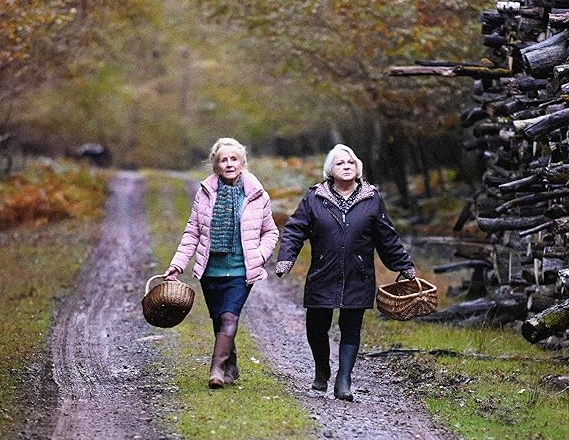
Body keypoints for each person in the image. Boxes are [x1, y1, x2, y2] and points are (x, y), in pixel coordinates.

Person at [275, 144, 417, 402]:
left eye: (351, 162)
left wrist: (404, 266)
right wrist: (286, 258)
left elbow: (387, 236)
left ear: (358, 166)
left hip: (358, 273)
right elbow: (295, 229)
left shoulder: (371, 197)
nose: (347, 166)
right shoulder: (314, 197)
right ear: (331, 169)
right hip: (323, 271)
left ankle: (344, 379)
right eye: (340, 163)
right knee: (316, 327)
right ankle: (322, 369)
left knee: (351, 327)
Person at [163, 137, 279, 388]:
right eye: (223, 160)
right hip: (211, 269)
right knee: (219, 319)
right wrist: (177, 264)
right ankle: (231, 364)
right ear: (215, 165)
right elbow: (192, 231)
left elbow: (271, 232)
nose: (229, 164)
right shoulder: (204, 194)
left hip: (241, 269)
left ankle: (216, 369)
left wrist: (259, 256)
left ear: (242, 163)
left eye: (233, 159)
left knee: (229, 317)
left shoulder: (257, 194)